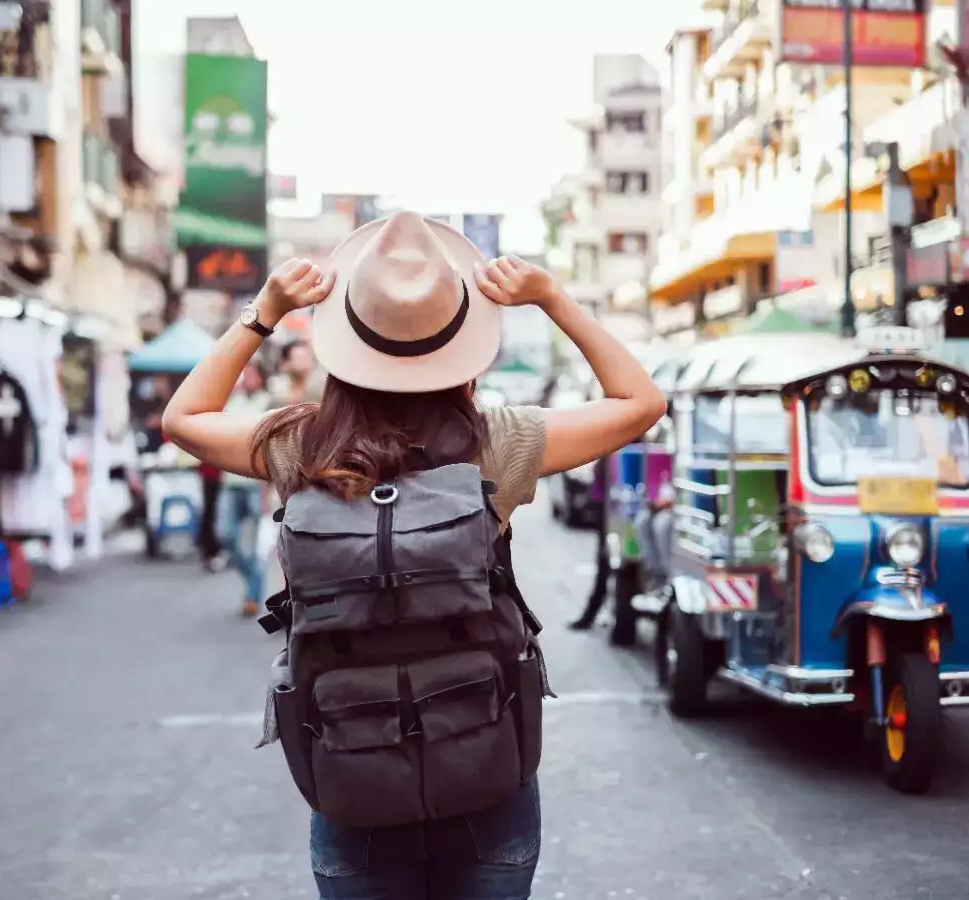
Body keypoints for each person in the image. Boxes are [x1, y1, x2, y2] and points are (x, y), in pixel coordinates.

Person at [162, 212, 665, 899]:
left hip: (353, 774)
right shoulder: (497, 444)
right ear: (460, 345)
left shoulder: (303, 449)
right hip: (487, 770)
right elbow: (641, 403)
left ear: (345, 341)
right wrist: (552, 298)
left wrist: (266, 311)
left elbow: (182, 420)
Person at [216, 363, 271, 615]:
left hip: (255, 484)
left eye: (250, 373)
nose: (246, 378)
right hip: (230, 482)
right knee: (226, 536)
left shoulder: (268, 402)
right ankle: (252, 582)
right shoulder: (233, 402)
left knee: (253, 545)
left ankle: (251, 595)